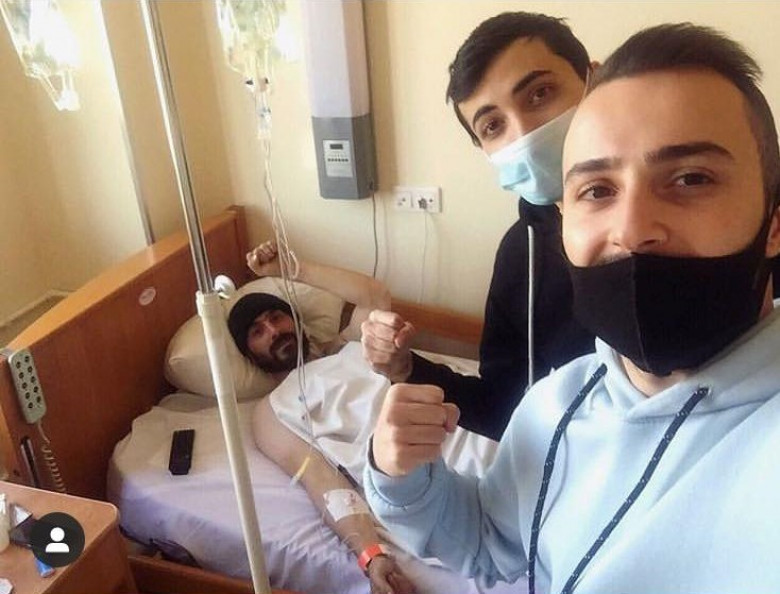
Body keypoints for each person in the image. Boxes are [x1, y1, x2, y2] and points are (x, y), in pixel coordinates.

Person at [363, 23, 780, 593]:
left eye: (690, 179)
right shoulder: (555, 402)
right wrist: (401, 466)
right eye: (597, 191)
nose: (631, 230)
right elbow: (496, 536)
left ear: (773, 224)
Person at [361, 12, 595, 441]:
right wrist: (406, 368)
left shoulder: (686, 221)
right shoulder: (520, 255)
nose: (524, 133)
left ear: (594, 81)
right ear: (483, 149)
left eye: (540, 93)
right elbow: (504, 409)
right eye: (493, 126)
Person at [229, 240, 417, 594]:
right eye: (257, 332)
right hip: (411, 466)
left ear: (295, 319)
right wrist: (372, 556)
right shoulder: (271, 411)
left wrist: (290, 270)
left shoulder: (351, 343)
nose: (273, 331)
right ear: (249, 355)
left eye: (276, 317)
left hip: (449, 423)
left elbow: (376, 295)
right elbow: (321, 480)